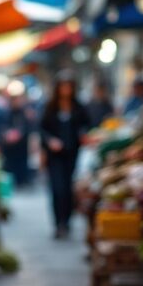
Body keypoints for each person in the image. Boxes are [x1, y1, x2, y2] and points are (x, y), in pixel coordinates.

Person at [40, 75, 91, 238]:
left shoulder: (78, 107)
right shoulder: (50, 107)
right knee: (57, 188)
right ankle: (58, 223)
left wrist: (82, 135)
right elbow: (42, 129)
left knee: (68, 189)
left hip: (72, 153)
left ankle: (66, 222)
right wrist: (50, 141)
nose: (66, 90)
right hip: (54, 155)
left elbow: (86, 124)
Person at [0, 94, 35, 188]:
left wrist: (19, 134)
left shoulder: (25, 113)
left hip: (22, 146)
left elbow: (29, 127)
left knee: (22, 164)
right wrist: (8, 134)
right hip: (9, 147)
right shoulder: (6, 112)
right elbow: (2, 126)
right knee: (10, 165)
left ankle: (22, 181)